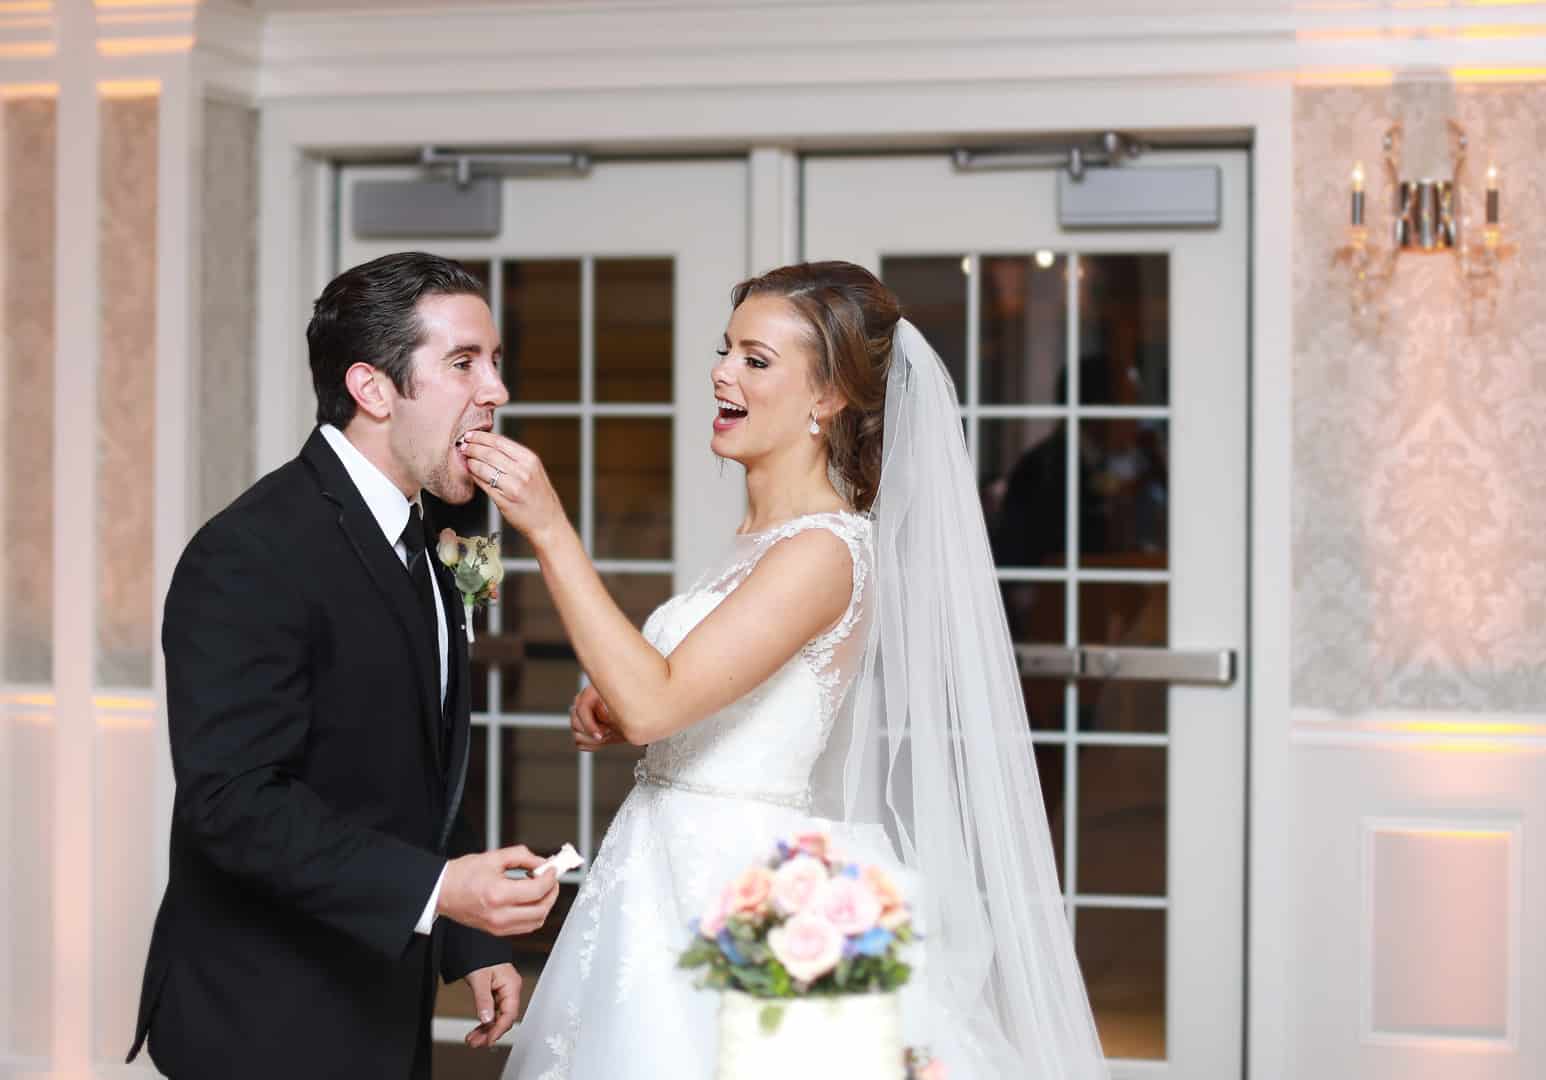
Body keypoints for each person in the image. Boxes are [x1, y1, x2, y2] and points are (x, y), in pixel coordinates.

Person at [463, 261, 1108, 1078]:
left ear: (827, 396)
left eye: (755, 360)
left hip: (738, 890)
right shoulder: (762, 541)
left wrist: (549, 528)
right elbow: (676, 700)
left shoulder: (824, 550)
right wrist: (619, 704)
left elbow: (659, 700)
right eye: (727, 350)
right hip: (663, 870)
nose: (721, 372)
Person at [127, 253, 562, 1079]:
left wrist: (465, 936)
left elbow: (418, 765)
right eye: (464, 362)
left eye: (495, 362)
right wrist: (442, 893)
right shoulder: (252, 552)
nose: (496, 391)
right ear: (372, 388)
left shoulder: (424, 530)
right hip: (265, 1014)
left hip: (376, 994)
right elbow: (233, 804)